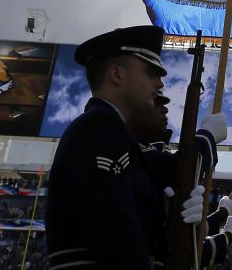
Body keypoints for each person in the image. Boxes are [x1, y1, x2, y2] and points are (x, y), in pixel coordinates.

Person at [44, 25, 169, 270]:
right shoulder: (100, 130)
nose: (159, 83)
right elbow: (117, 239)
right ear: (117, 75)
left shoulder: (111, 131)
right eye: (150, 72)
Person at [132, 92, 232, 268]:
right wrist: (207, 136)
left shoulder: (152, 153)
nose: (165, 109)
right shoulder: (132, 148)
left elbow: (180, 236)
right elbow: (177, 170)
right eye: (155, 102)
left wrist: (221, 215)